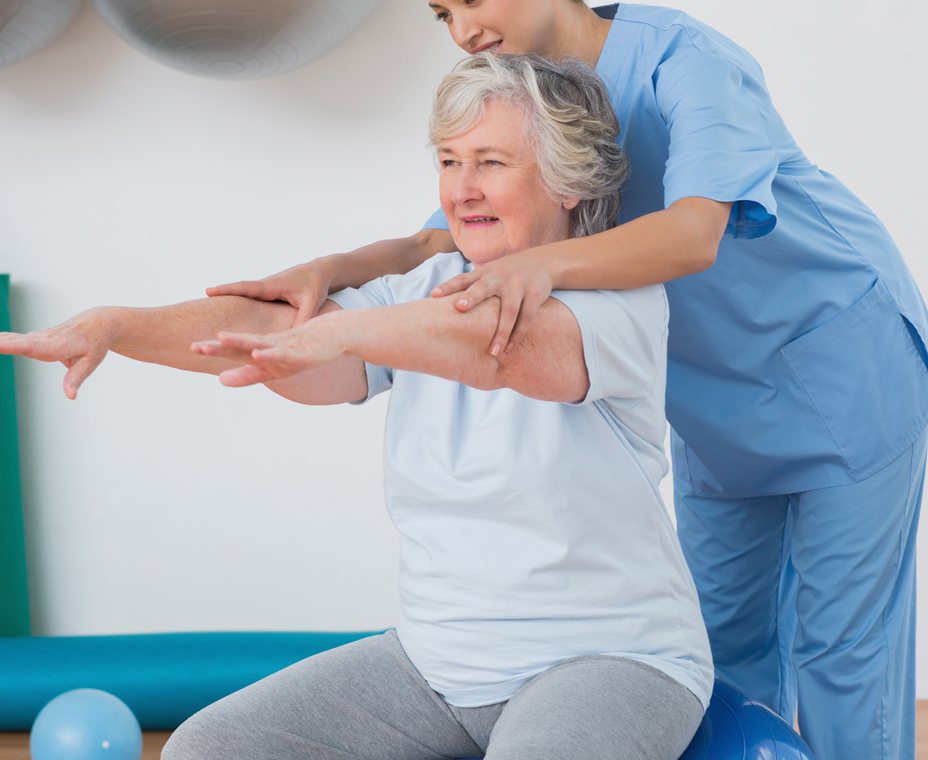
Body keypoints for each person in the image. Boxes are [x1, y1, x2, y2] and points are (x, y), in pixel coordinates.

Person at [206, 3, 928, 759]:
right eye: (442, 12)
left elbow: (695, 232)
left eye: (471, 1)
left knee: (841, 658)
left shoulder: (685, 63)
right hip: (712, 402)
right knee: (727, 652)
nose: (460, 31)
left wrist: (541, 264)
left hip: (843, 370)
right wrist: (332, 269)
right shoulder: (535, 95)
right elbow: (437, 236)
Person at [0, 53, 713, 760]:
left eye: (490, 162)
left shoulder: (620, 298)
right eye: (449, 162)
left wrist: (341, 330)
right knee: (208, 746)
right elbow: (272, 333)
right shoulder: (418, 290)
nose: (461, 189)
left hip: (610, 658)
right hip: (436, 666)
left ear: (566, 181)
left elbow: (502, 351)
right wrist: (115, 325)